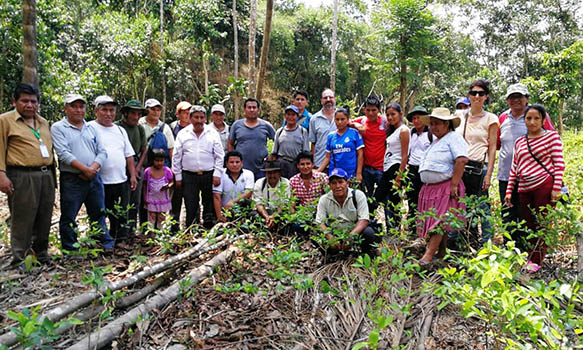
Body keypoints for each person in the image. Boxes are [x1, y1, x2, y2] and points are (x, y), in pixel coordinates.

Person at [0, 84, 56, 268]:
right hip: (22, 175)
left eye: (33, 101)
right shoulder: (5, 121)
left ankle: (41, 252)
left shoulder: (43, 122)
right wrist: (1, 175)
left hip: (45, 174)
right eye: (24, 101)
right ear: (14, 101)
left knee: (44, 215)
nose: (30, 105)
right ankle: (20, 258)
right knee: (23, 217)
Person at [504, 104, 565, 273]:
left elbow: (559, 165)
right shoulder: (520, 141)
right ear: (524, 120)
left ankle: (535, 262)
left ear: (543, 120)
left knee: (542, 225)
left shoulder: (552, 137)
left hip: (544, 186)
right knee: (529, 225)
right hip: (524, 188)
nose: (532, 122)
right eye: (528, 118)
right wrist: (509, 190)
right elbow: (514, 168)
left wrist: (556, 188)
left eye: (536, 118)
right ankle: (532, 257)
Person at [52, 93, 115, 255]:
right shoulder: (58, 128)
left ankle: (103, 242)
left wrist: (92, 168)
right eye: (74, 106)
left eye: (81, 106)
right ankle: (70, 248)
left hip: (94, 177)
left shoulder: (91, 128)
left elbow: (102, 152)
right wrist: (84, 169)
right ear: (66, 108)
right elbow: (64, 154)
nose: (78, 110)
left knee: (98, 212)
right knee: (69, 215)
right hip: (72, 179)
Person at [497, 83, 554, 249]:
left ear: (527, 99)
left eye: (519, 97)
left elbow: (551, 140)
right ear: (507, 100)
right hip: (505, 175)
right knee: (508, 214)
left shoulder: (536, 116)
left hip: (531, 178)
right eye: (512, 97)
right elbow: (499, 143)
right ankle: (510, 250)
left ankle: (528, 251)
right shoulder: (502, 118)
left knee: (527, 214)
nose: (515, 100)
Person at [417, 108, 468, 265]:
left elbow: (461, 160)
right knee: (438, 220)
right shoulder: (436, 141)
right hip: (432, 187)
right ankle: (442, 251)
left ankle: (428, 255)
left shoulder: (454, 138)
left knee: (439, 220)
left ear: (447, 124)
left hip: (445, 186)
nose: (433, 127)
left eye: (437, 123)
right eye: (431, 124)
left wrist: (453, 184)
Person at [89, 96, 137, 245]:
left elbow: (128, 155)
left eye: (111, 110)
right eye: (104, 110)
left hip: (120, 180)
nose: (108, 114)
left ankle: (120, 241)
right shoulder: (89, 128)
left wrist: (133, 175)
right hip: (99, 181)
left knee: (121, 213)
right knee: (99, 212)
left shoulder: (120, 130)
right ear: (96, 111)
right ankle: (100, 241)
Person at [456, 79, 498, 247]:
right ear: (469, 95)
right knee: (463, 206)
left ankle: (487, 244)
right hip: (461, 168)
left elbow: (493, 147)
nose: (477, 96)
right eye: (474, 93)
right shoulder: (459, 116)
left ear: (486, 97)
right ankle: (468, 242)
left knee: (483, 207)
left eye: (481, 93)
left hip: (479, 167)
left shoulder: (491, 118)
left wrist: (489, 174)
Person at [173, 105, 224, 229]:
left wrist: (217, 174)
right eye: (196, 117)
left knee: (209, 203)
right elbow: (176, 156)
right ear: (190, 118)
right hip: (189, 175)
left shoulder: (212, 133)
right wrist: (178, 176)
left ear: (206, 119)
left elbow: (219, 155)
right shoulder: (183, 134)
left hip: (209, 174)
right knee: (191, 204)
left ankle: (208, 229)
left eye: (202, 117)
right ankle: (192, 230)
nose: (199, 120)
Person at [315, 168, 381, 256]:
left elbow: (364, 220)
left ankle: (366, 254)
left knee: (368, 233)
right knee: (314, 234)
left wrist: (350, 237)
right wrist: (330, 237)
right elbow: (320, 222)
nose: (337, 186)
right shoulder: (324, 199)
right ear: (329, 185)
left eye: (340, 182)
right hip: (335, 234)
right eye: (334, 183)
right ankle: (332, 255)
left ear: (347, 183)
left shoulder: (358, 195)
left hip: (354, 232)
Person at [373, 102, 410, 230]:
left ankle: (394, 232)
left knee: (389, 200)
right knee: (383, 199)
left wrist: (399, 178)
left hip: (396, 168)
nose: (390, 117)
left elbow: (405, 155)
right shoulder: (393, 131)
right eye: (388, 115)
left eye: (393, 114)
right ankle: (382, 228)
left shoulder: (404, 130)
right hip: (387, 168)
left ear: (400, 114)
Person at [139, 98, 175, 226]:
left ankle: (162, 229)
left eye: (158, 109)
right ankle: (145, 227)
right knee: (143, 199)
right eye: (153, 109)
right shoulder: (139, 125)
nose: (156, 112)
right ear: (146, 110)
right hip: (143, 167)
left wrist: (173, 170)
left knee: (162, 198)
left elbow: (171, 149)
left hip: (162, 170)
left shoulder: (165, 128)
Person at [117, 100, 148, 235]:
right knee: (121, 199)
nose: (136, 117)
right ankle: (119, 231)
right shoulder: (117, 127)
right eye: (133, 114)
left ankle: (131, 230)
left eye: (138, 114)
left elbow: (144, 150)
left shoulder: (140, 128)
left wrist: (137, 168)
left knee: (135, 200)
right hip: (120, 165)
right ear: (126, 113)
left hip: (136, 163)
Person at [228, 98, 275, 179]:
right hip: (241, 169)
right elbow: (230, 143)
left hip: (261, 168)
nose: (251, 110)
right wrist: (233, 161)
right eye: (249, 107)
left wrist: (272, 156)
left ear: (258, 110)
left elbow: (277, 141)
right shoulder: (237, 125)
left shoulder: (266, 125)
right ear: (244, 110)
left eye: (254, 107)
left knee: (259, 190)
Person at [350, 96, 388, 197]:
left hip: (381, 168)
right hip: (366, 168)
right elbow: (347, 121)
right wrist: (356, 125)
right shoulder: (362, 121)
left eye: (374, 110)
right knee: (367, 198)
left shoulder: (385, 122)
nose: (371, 113)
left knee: (384, 197)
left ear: (379, 110)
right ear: (364, 110)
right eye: (368, 110)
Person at [317, 108, 364, 180]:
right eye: (337, 119)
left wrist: (359, 173)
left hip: (351, 174)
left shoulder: (354, 133)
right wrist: (318, 171)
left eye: (342, 119)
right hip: (335, 174)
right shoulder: (331, 136)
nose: (339, 122)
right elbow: (327, 157)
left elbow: (360, 154)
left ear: (347, 120)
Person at [406, 106, 432, 230]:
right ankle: (411, 226)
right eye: (414, 118)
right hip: (412, 169)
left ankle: (425, 226)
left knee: (425, 198)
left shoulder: (431, 133)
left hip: (425, 170)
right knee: (411, 197)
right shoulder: (411, 133)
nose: (416, 121)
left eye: (419, 118)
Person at [169, 101, 192, 232]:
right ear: (178, 114)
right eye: (184, 112)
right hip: (176, 168)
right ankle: (174, 225)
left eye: (189, 112)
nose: (187, 114)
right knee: (175, 199)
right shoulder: (172, 128)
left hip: (190, 170)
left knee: (192, 198)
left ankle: (192, 225)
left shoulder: (197, 127)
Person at [213, 151, 255, 222]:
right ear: (226, 164)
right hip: (224, 211)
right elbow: (216, 196)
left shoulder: (248, 174)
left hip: (241, 210)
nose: (235, 165)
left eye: (237, 162)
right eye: (231, 162)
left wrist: (232, 203)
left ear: (242, 163)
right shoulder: (220, 174)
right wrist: (220, 216)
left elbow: (248, 192)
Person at [272, 105, 310, 178]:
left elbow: (306, 152)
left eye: (293, 115)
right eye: (288, 114)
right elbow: (274, 153)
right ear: (285, 116)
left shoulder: (303, 131)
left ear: (297, 117)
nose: (290, 117)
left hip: (296, 164)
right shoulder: (279, 132)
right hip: (282, 163)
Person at [253, 160, 291, 229]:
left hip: (279, 213)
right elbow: (258, 203)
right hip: (264, 213)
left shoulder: (286, 183)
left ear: (279, 173)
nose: (272, 175)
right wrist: (267, 217)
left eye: (275, 172)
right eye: (269, 173)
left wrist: (274, 216)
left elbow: (284, 204)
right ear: (266, 174)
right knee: (253, 216)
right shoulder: (259, 183)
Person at [143, 149, 174, 229]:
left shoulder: (167, 171)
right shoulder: (148, 171)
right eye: (157, 160)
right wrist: (145, 197)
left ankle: (161, 234)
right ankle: (151, 233)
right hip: (152, 199)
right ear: (153, 160)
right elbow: (145, 185)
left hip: (162, 199)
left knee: (162, 218)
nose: (159, 163)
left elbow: (172, 182)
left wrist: (168, 186)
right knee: (151, 217)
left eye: (161, 160)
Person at [309, 89, 337, 169]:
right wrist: (313, 162)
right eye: (325, 98)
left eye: (330, 97)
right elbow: (313, 143)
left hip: (338, 163)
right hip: (320, 163)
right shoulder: (314, 119)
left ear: (334, 99)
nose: (328, 100)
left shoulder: (342, 117)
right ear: (321, 101)